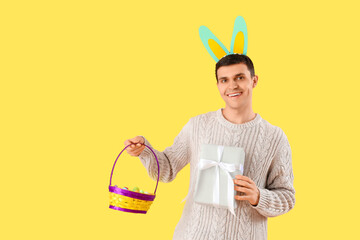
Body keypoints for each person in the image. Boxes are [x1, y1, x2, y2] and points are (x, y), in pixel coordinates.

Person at [124, 54, 295, 240]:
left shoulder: (275, 137)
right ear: (218, 86)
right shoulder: (197, 125)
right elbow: (167, 169)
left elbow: (287, 196)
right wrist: (145, 151)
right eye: (224, 80)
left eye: (240, 77)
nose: (232, 86)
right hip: (192, 235)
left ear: (254, 81)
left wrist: (259, 197)